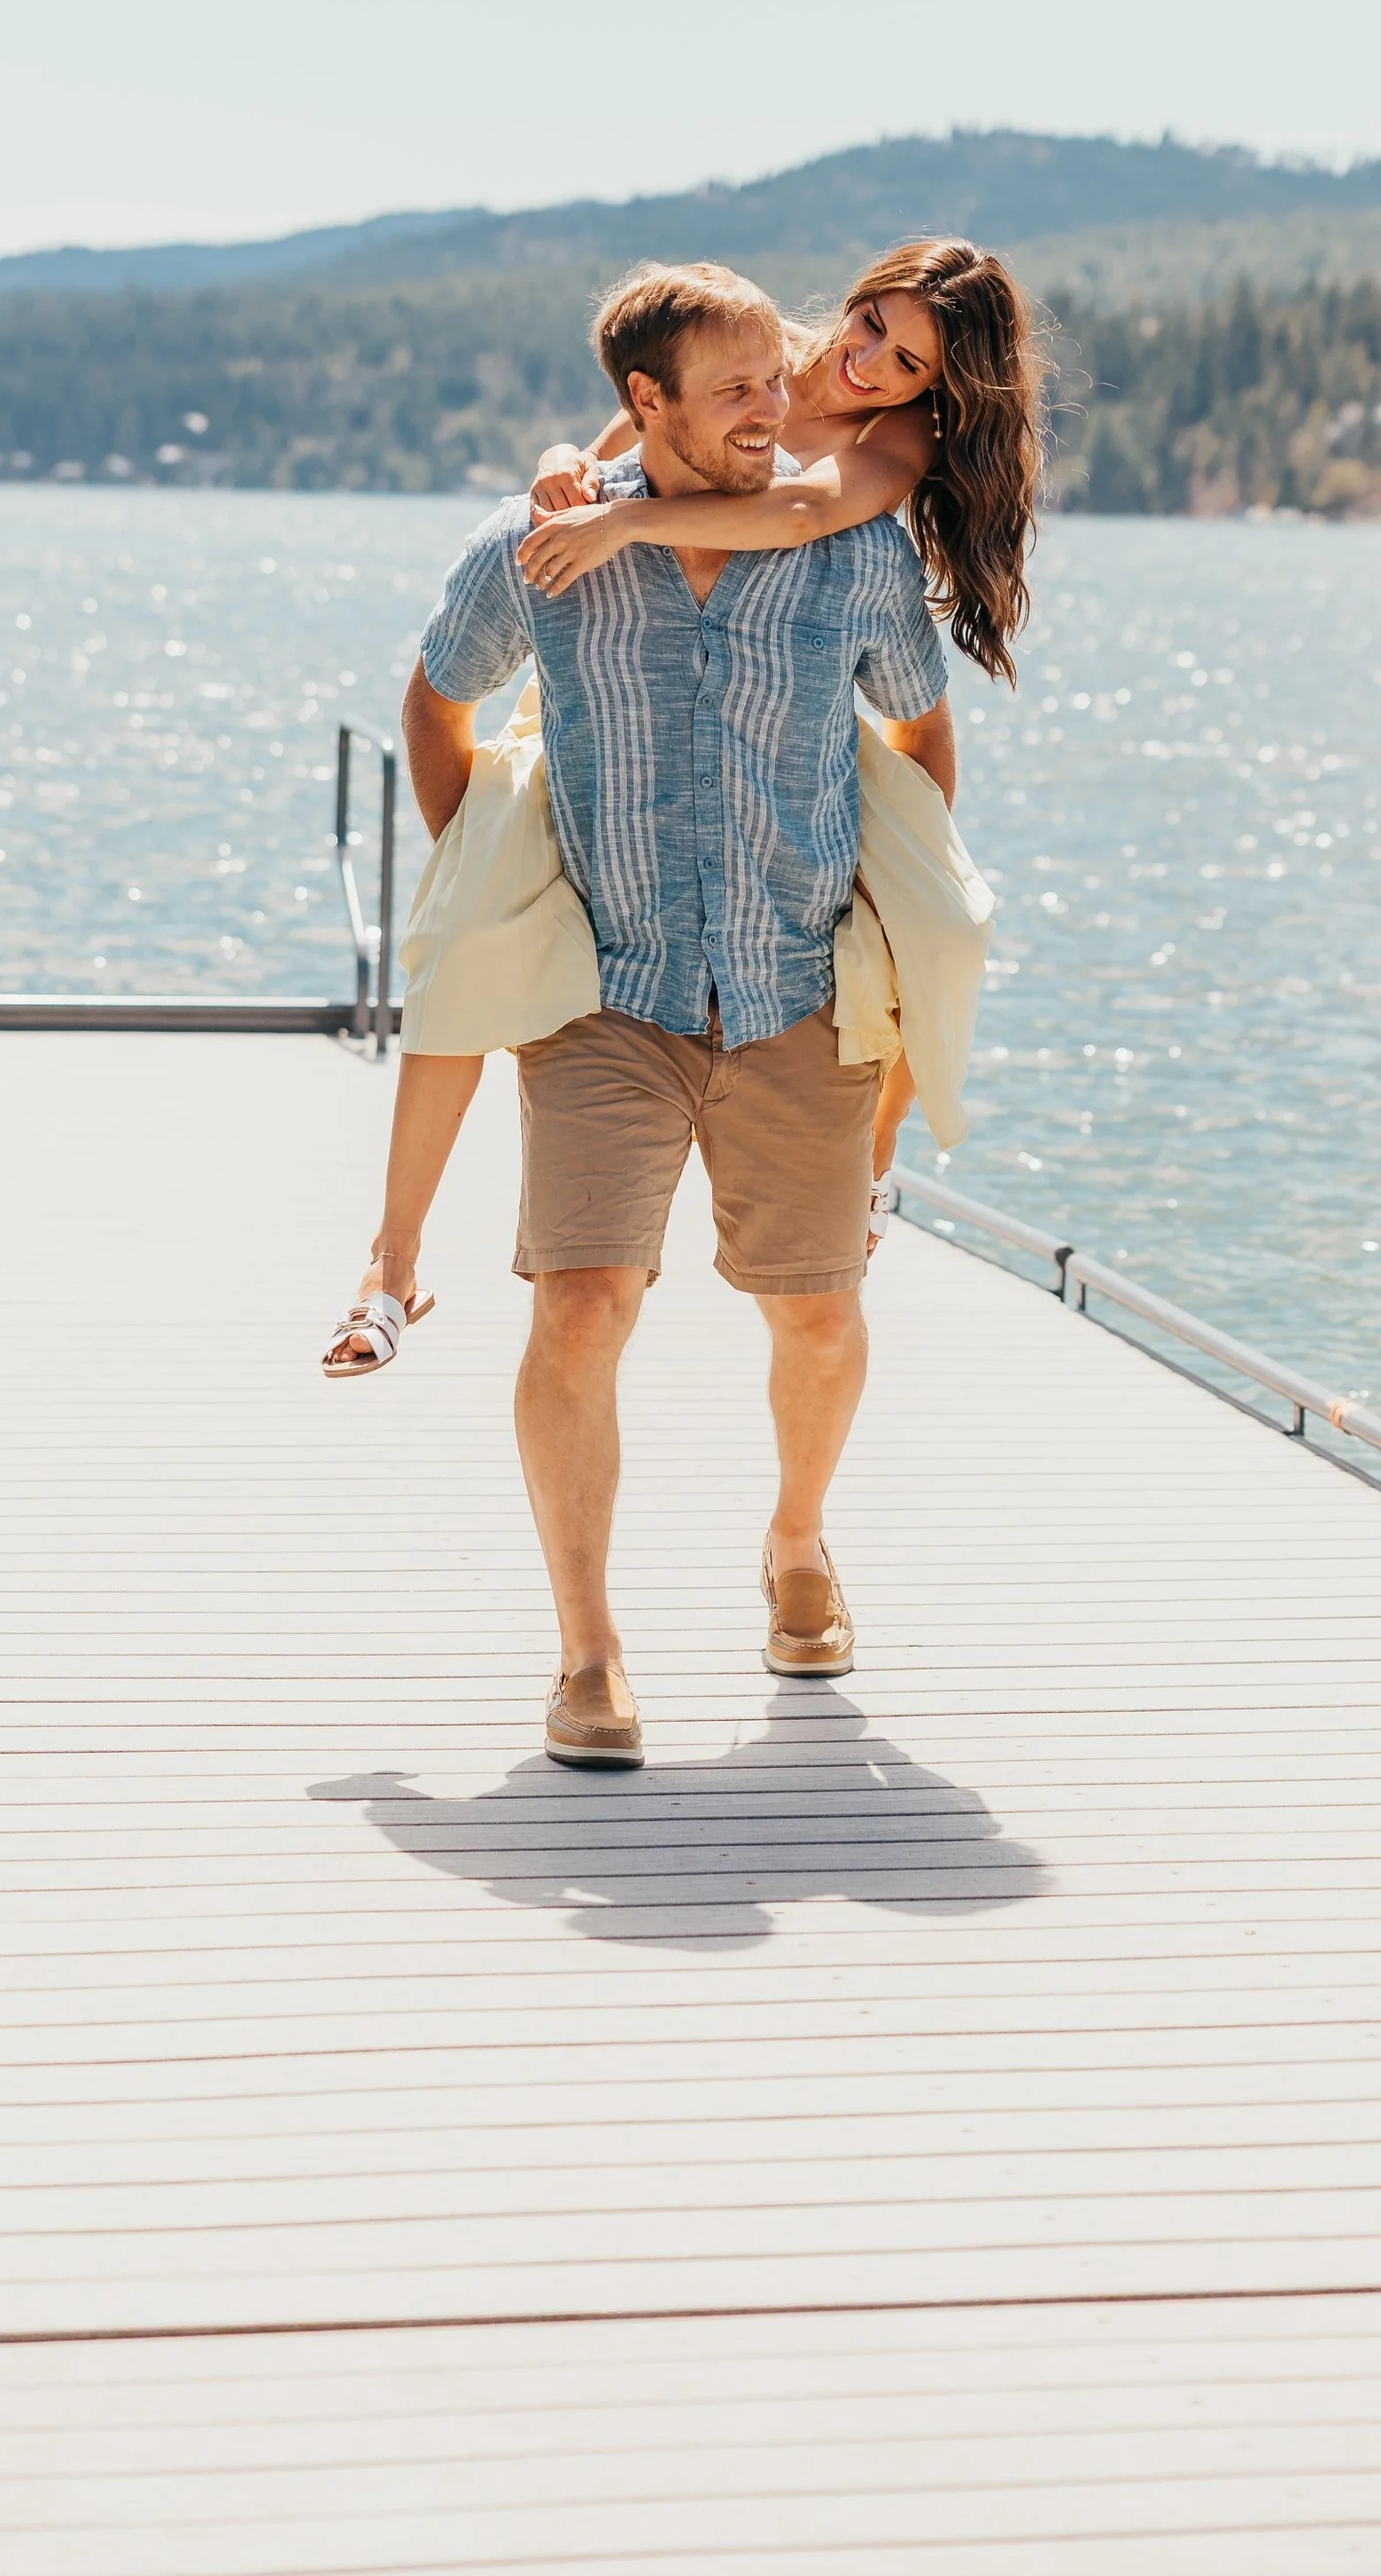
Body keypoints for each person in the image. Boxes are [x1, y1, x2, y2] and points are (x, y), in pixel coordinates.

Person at [379, 260, 972, 1769]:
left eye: (784, 377)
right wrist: (493, 879)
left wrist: (895, 926)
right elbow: (436, 702)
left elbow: (919, 730)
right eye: (739, 388)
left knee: (819, 1316)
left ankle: (795, 1539)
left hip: (792, 987)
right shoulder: (543, 546)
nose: (782, 409)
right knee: (581, 1306)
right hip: (609, 996)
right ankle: (587, 1652)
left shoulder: (855, 548)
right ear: (645, 405)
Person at [323, 234, 1044, 1371]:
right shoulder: (756, 354)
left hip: (790, 718)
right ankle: (391, 1258)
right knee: (462, 933)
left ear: (932, 392)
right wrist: (569, 467)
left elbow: (804, 517)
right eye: (871, 327)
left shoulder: (893, 441)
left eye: (906, 363)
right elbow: (611, 442)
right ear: (852, 302)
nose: (867, 366)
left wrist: (624, 526)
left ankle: (878, 1151)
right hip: (607, 710)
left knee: (942, 930)